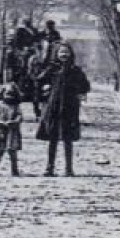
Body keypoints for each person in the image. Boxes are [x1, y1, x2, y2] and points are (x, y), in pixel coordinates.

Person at [34, 43, 91, 177]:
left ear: (71, 54)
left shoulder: (75, 70)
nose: (64, 55)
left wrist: (79, 92)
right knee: (52, 139)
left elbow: (85, 86)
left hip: (70, 107)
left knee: (68, 139)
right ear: (57, 54)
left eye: (66, 52)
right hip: (53, 107)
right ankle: (49, 168)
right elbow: (39, 81)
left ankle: (69, 168)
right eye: (61, 52)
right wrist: (45, 89)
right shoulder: (51, 69)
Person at [0, 83, 24, 176]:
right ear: (2, 94)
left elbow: (20, 116)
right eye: (7, 93)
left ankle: (14, 169)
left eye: (12, 94)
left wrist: (14, 122)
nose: (9, 96)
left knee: (12, 152)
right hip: (0, 130)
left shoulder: (16, 106)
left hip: (12, 131)